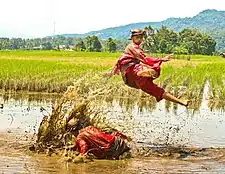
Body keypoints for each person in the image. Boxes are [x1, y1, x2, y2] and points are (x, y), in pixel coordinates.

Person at [107, 29, 189, 106]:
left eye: (141, 38)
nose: (139, 39)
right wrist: (161, 59)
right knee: (154, 68)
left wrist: (110, 73)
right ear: (132, 38)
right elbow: (144, 58)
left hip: (132, 79)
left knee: (158, 91)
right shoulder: (132, 46)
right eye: (137, 37)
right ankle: (144, 73)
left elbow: (119, 65)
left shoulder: (132, 47)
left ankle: (181, 102)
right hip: (131, 70)